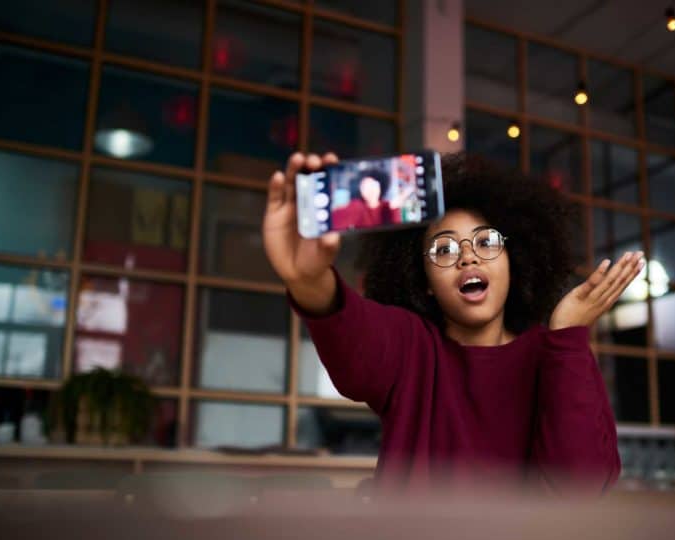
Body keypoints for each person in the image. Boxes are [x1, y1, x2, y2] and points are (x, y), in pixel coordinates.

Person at [264, 152, 643, 494]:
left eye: (486, 242)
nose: (467, 258)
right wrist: (308, 279)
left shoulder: (557, 354)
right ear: (424, 282)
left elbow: (581, 488)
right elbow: (352, 336)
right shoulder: (411, 347)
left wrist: (567, 338)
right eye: (444, 249)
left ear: (515, 260)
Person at [331, 168, 412, 229]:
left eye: (373, 184)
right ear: (361, 191)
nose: (370, 189)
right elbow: (334, 221)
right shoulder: (358, 206)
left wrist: (394, 208)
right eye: (365, 186)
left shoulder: (388, 206)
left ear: (380, 186)